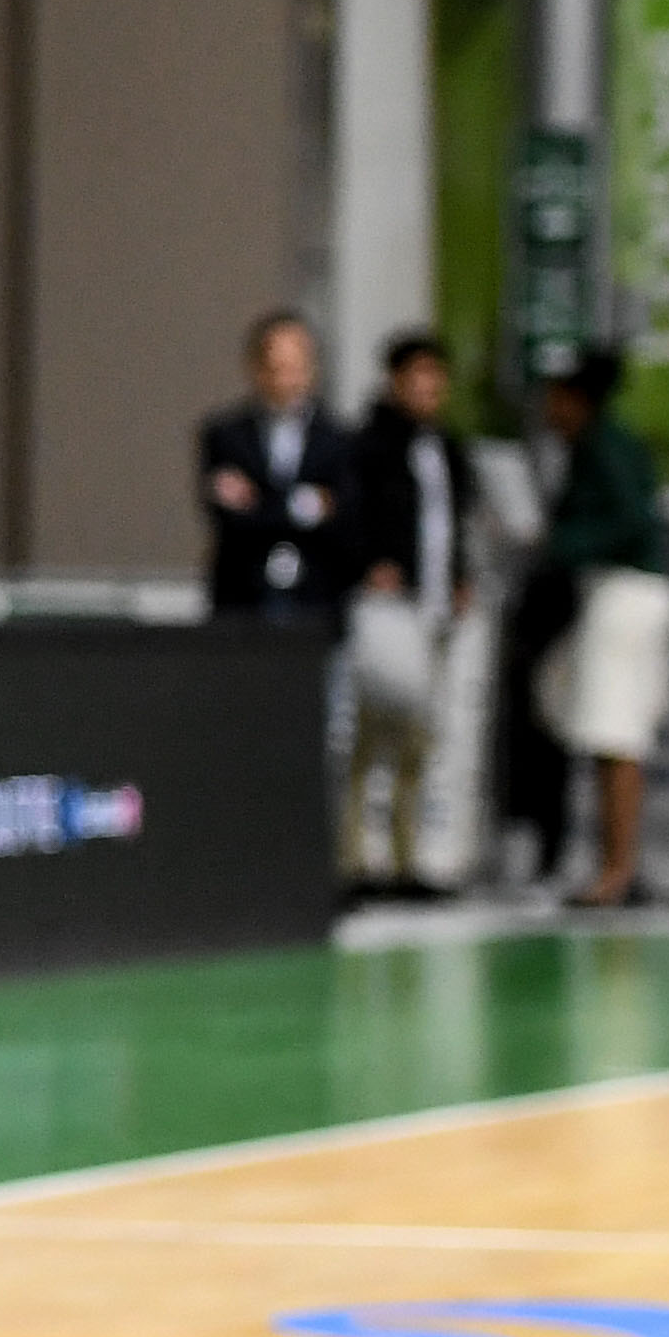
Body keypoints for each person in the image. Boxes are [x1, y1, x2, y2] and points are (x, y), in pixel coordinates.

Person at [534, 345, 669, 907]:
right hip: (619, 593)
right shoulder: (596, 445)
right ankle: (615, 863)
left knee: (616, 731)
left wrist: (561, 544)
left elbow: (631, 519)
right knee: (600, 726)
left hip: (625, 593)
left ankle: (618, 870)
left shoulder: (605, 446)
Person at [342, 328, 472, 897]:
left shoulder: (447, 448)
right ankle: (355, 859)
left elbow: (452, 524)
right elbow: (351, 517)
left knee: (420, 740)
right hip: (386, 614)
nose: (428, 388)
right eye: (417, 376)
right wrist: (369, 563)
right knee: (371, 734)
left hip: (433, 610)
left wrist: (460, 577)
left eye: (436, 377)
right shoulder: (369, 445)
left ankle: (407, 858)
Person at [196, 309, 355, 624]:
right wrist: (305, 505)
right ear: (256, 369)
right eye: (277, 368)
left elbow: (345, 516)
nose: (287, 381)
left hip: (317, 597)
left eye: (296, 368)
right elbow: (231, 518)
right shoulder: (226, 435)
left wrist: (262, 502)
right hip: (243, 595)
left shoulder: (338, 440)